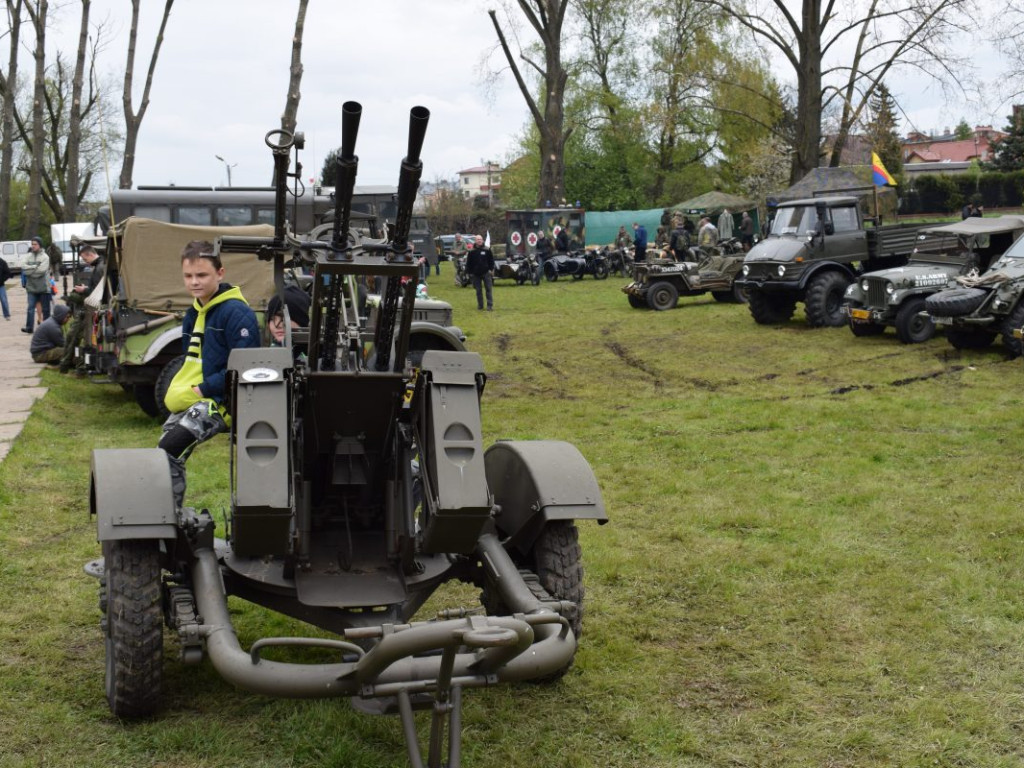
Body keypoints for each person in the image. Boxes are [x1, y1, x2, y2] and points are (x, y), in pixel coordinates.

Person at [158, 240, 260, 509]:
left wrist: (202, 390)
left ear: (220, 273)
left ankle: (170, 517)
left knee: (172, 447)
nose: (194, 282)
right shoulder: (194, 312)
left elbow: (245, 367)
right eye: (188, 276)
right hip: (198, 397)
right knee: (163, 451)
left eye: (202, 275)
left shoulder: (236, 312)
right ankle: (167, 516)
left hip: (223, 401)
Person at [59, 245, 104, 373]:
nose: (85, 262)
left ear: (90, 254)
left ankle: (69, 366)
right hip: (91, 307)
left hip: (92, 308)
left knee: (74, 337)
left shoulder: (99, 268)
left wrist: (84, 290)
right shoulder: (100, 266)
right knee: (76, 337)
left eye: (85, 259)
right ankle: (73, 366)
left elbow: (98, 292)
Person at [21, 236, 51, 334]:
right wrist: (35, 267)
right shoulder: (28, 256)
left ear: (40, 245)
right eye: (32, 244)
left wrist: (30, 270)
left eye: (35, 244)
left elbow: (42, 271)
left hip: (43, 287)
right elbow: (24, 268)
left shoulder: (45, 257)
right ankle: (29, 327)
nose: (33, 246)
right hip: (31, 287)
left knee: (46, 309)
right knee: (30, 308)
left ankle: (46, 328)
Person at [466, 234, 495, 311]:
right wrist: (470, 273)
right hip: (476, 274)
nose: (479, 241)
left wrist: (491, 269)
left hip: (486, 273)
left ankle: (490, 305)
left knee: (488, 289)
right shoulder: (472, 251)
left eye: (480, 239)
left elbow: (491, 260)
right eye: (478, 239)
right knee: (478, 291)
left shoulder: (487, 249)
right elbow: (469, 263)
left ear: (482, 240)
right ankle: (480, 305)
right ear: (475, 241)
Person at [0, 250, 11, 320]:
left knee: (4, 300)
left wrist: (1, 280)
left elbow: (8, 273)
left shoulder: (2, 262)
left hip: (1, 285)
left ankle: (6, 315)